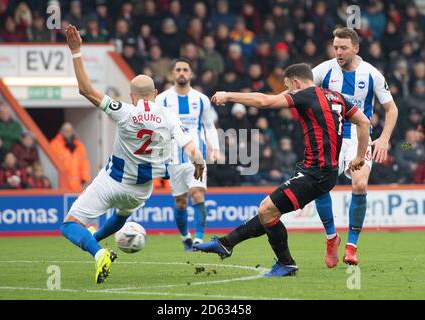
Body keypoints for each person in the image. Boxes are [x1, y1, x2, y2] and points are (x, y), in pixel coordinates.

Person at [194, 63, 370, 277]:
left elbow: (264, 101)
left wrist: (228, 95)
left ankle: (286, 263)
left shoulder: (305, 95)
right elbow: (364, 120)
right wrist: (360, 156)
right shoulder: (335, 97)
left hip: (317, 174)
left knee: (266, 210)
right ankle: (225, 243)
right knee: (269, 211)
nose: (287, 91)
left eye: (287, 87)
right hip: (317, 171)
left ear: (296, 82)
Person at [59, 25, 205, 284]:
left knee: (69, 225)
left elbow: (86, 90)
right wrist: (199, 164)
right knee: (121, 216)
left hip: (112, 180)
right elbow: (192, 149)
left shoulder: (124, 111)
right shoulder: (169, 116)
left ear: (131, 96)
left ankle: (98, 251)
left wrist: (76, 51)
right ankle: (95, 243)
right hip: (140, 189)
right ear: (156, 95)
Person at [312, 28, 398, 267]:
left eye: (343, 48)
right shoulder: (323, 70)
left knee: (360, 184)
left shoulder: (372, 74)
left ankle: (351, 246)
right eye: (335, 47)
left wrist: (384, 138)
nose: (338, 52)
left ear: (356, 48)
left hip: (360, 138)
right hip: (331, 137)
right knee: (320, 187)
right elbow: (302, 90)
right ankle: (332, 238)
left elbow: (392, 109)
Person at [155, 58, 220, 250]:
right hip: (173, 158)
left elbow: (209, 126)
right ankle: (185, 237)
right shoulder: (162, 99)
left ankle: (199, 240)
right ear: (172, 74)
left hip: (196, 158)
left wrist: (214, 147)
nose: (182, 73)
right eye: (178, 70)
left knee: (197, 194)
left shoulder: (201, 99)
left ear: (191, 74)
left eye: (185, 70)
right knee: (181, 201)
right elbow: (156, 127)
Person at [49, 122, 90, 192]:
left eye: (70, 131)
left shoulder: (79, 145)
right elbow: (51, 164)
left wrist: (85, 177)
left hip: (77, 184)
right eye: (65, 130)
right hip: (61, 184)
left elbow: (84, 162)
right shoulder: (54, 145)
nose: (68, 133)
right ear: (61, 131)